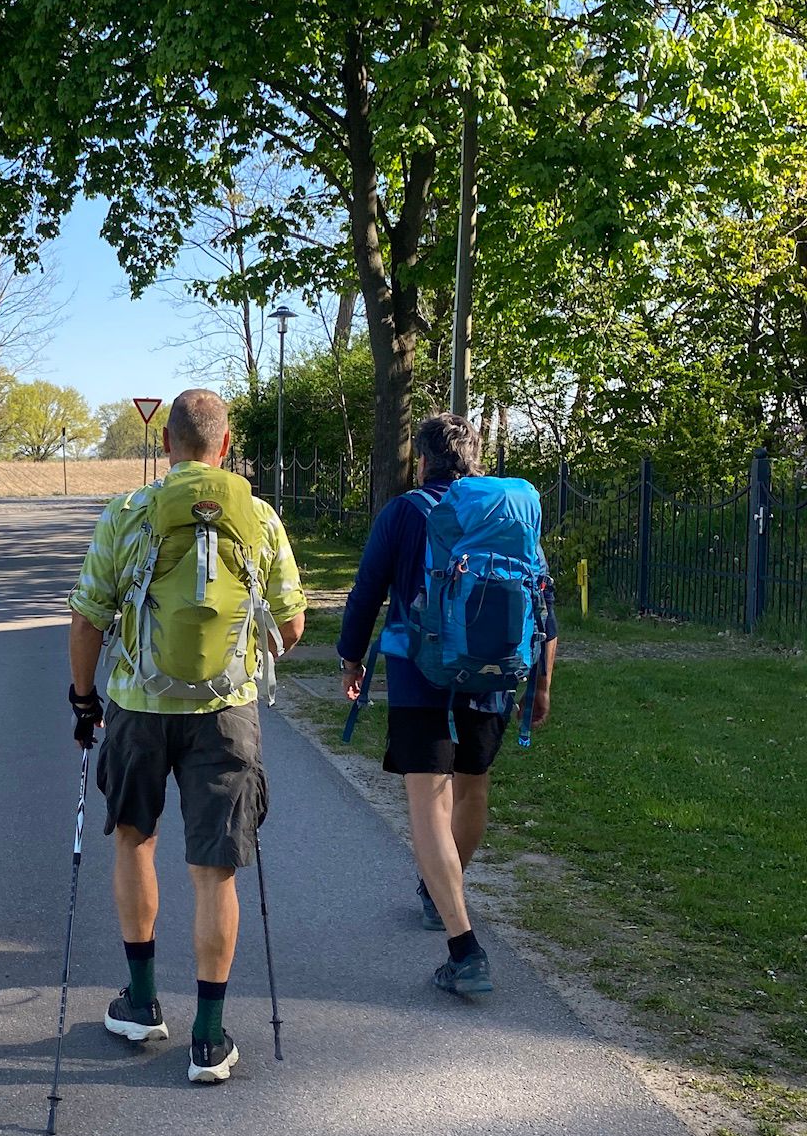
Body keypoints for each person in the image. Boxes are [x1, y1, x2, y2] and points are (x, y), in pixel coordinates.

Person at [67, 388, 306, 1084]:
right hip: (226, 712)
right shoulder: (259, 517)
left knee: (134, 839)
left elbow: (87, 617)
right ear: (225, 445)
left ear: (166, 443)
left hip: (138, 706)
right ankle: (208, 1037)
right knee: (214, 869)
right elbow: (291, 626)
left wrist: (83, 699)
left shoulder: (127, 513)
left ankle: (142, 1003)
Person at [337, 412, 557, 999]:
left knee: (429, 803)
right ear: (474, 458)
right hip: (493, 675)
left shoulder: (404, 512)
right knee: (472, 790)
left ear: (422, 461)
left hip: (420, 676)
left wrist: (352, 659)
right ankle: (444, 892)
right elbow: (542, 600)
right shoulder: (507, 513)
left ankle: (464, 949)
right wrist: (540, 685)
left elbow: (367, 590)